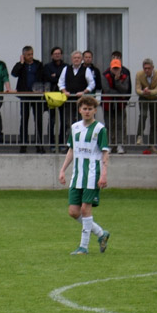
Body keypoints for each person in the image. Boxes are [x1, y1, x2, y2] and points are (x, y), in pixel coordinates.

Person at [58, 95, 111, 255]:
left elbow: (105, 152)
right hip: (77, 175)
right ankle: (101, 233)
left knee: (85, 209)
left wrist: (104, 174)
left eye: (90, 109)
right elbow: (71, 150)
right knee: (73, 212)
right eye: (84, 109)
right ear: (79, 110)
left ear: (95, 110)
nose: (87, 111)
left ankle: (84, 247)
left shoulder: (100, 129)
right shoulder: (75, 127)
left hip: (92, 175)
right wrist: (62, 170)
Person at [12, 45, 47, 153]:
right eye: (28, 55)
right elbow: (14, 73)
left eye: (31, 54)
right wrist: (21, 63)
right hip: (25, 95)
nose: (30, 56)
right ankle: (23, 144)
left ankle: (39, 144)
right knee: (24, 120)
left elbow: (44, 77)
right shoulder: (21, 65)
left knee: (38, 120)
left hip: (37, 96)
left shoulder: (38, 64)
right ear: (23, 55)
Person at [101, 53, 131, 154]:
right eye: (114, 68)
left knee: (120, 124)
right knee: (109, 125)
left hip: (120, 104)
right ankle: (109, 144)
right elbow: (107, 90)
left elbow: (125, 89)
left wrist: (117, 81)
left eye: (117, 68)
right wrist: (118, 92)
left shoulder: (125, 75)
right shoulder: (105, 75)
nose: (115, 70)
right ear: (110, 67)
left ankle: (120, 145)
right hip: (108, 104)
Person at [134, 57, 157, 153]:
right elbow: (137, 89)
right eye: (145, 68)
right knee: (143, 115)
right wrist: (143, 92)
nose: (147, 70)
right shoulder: (139, 74)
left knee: (154, 121)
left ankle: (152, 144)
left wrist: (149, 91)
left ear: (152, 68)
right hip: (144, 97)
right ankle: (139, 136)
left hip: (155, 98)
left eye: (148, 68)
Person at [42, 46, 69, 151]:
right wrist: (58, 77)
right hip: (52, 96)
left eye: (59, 53)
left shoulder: (66, 66)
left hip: (63, 95)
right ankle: (52, 143)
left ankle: (61, 142)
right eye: (55, 53)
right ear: (52, 55)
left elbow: (66, 79)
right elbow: (47, 78)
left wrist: (55, 75)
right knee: (52, 120)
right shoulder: (47, 66)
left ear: (61, 55)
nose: (57, 55)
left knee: (64, 120)